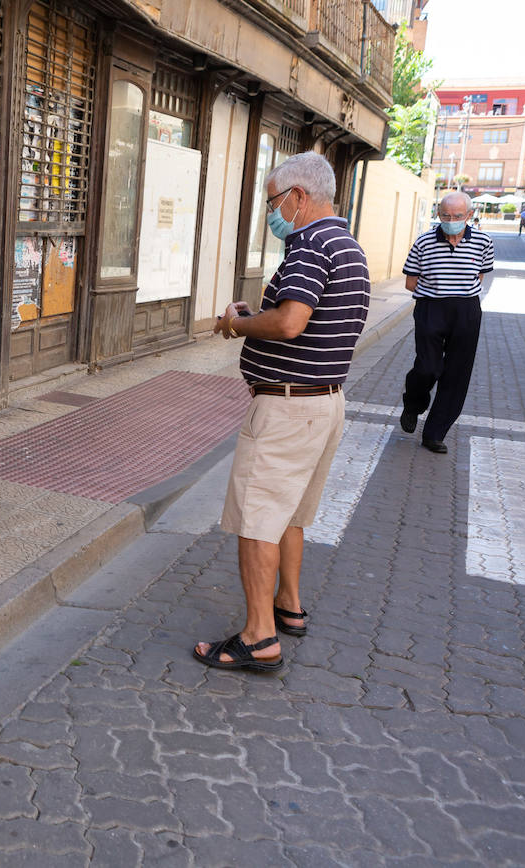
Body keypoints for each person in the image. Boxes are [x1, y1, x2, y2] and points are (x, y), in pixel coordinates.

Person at [193, 152, 369, 673]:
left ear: (297, 197)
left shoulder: (311, 244)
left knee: (257, 519)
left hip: (289, 408)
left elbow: (291, 322)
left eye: (272, 202)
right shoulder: (349, 245)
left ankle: (258, 637)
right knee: (290, 514)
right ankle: (287, 606)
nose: (271, 213)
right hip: (324, 403)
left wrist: (236, 326)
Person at [398, 190, 493, 454]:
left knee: (456, 374)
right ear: (439, 215)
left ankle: (435, 434)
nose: (451, 220)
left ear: (469, 215)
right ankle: (413, 403)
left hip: (467, 310)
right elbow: (410, 282)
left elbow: (480, 276)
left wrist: (459, 292)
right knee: (428, 367)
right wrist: (437, 290)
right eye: (446, 216)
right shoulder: (424, 242)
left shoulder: (484, 242)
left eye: (458, 216)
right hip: (431, 306)